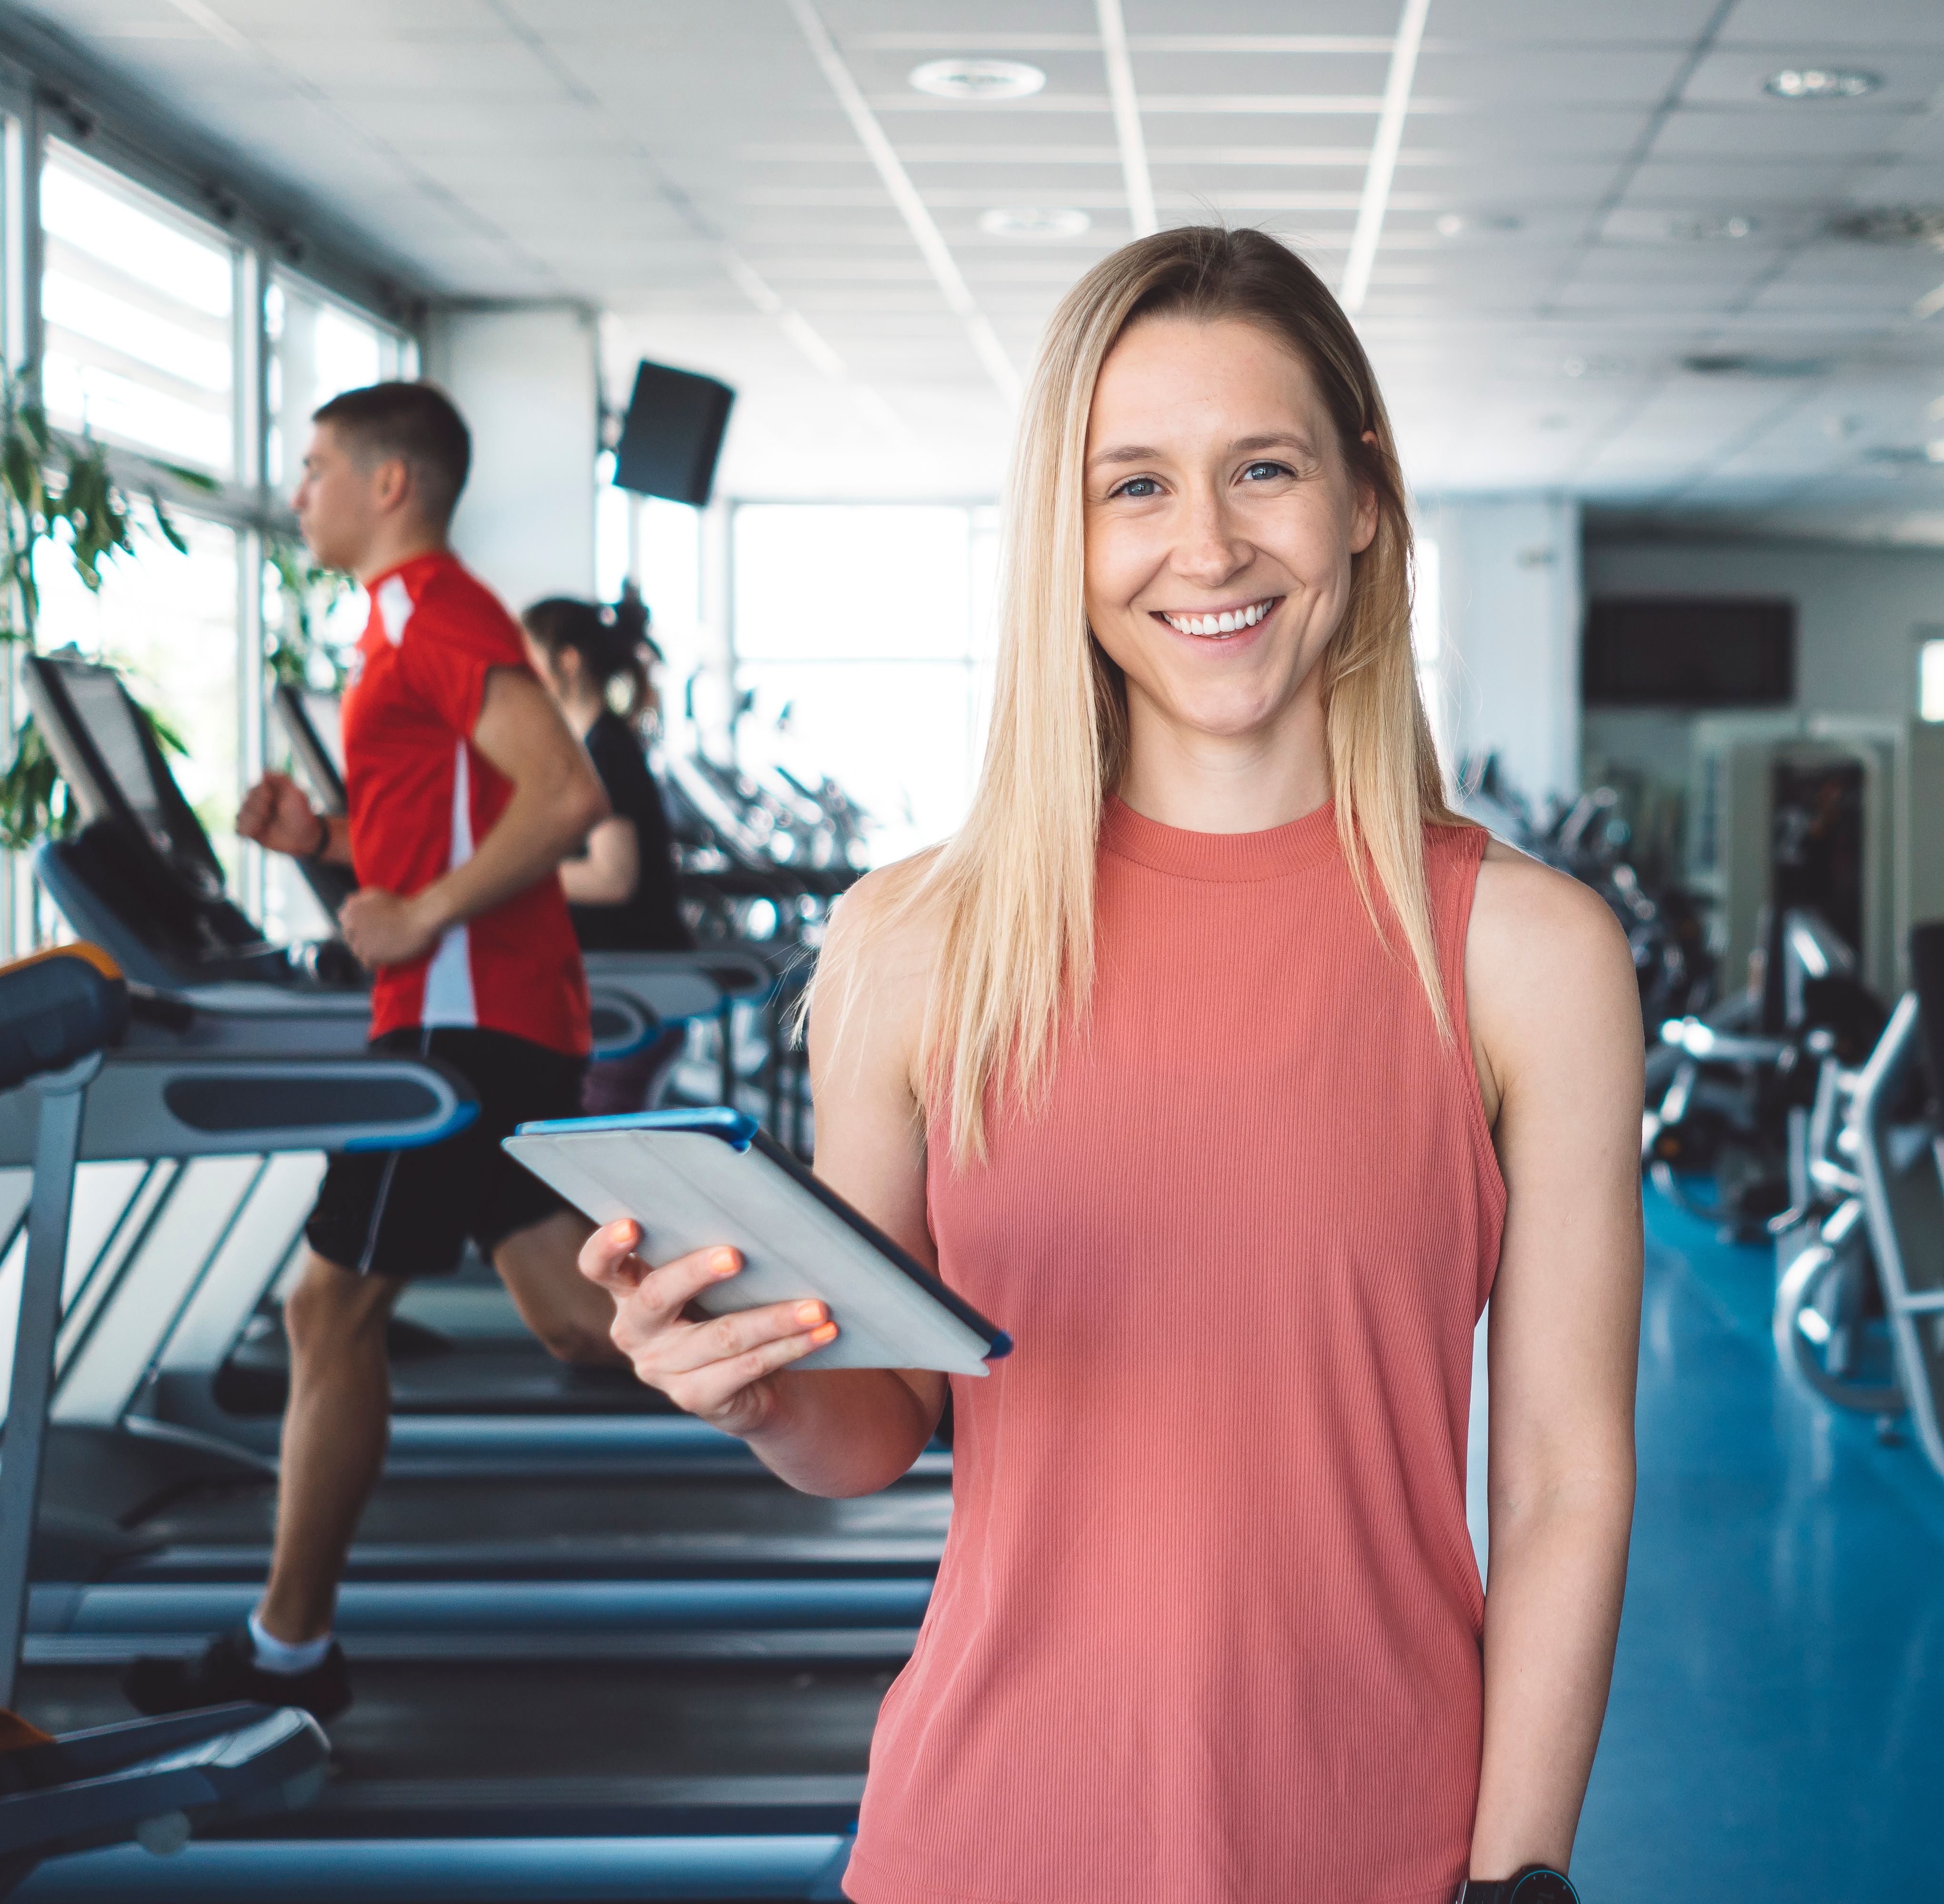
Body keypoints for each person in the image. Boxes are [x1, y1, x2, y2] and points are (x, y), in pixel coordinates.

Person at [574, 227, 1645, 1902]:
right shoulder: (917, 940)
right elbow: (875, 1426)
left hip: (1376, 1844)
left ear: (1364, 499)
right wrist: (756, 1386)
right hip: (982, 1833)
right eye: (1132, 485)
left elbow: (1568, 1474)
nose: (1204, 545)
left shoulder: (1527, 955)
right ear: (1060, 541)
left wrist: (1520, 1878)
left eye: (1264, 470)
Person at [125, 383, 616, 1721]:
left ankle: (290, 1649)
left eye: (316, 467)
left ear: (390, 484)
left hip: (462, 1022)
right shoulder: (398, 625)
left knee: (326, 1310)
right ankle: (869, 1360)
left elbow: (569, 795)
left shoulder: (433, 610)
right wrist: (330, 848)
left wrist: (417, 912)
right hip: (475, 1009)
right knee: (577, 1320)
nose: (298, 492)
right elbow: (457, 826)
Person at [521, 587, 696, 1114]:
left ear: (566, 662)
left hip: (634, 990)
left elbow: (613, 876)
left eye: (525, 657)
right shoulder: (594, 746)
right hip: (621, 983)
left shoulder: (605, 752)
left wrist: (514, 875)